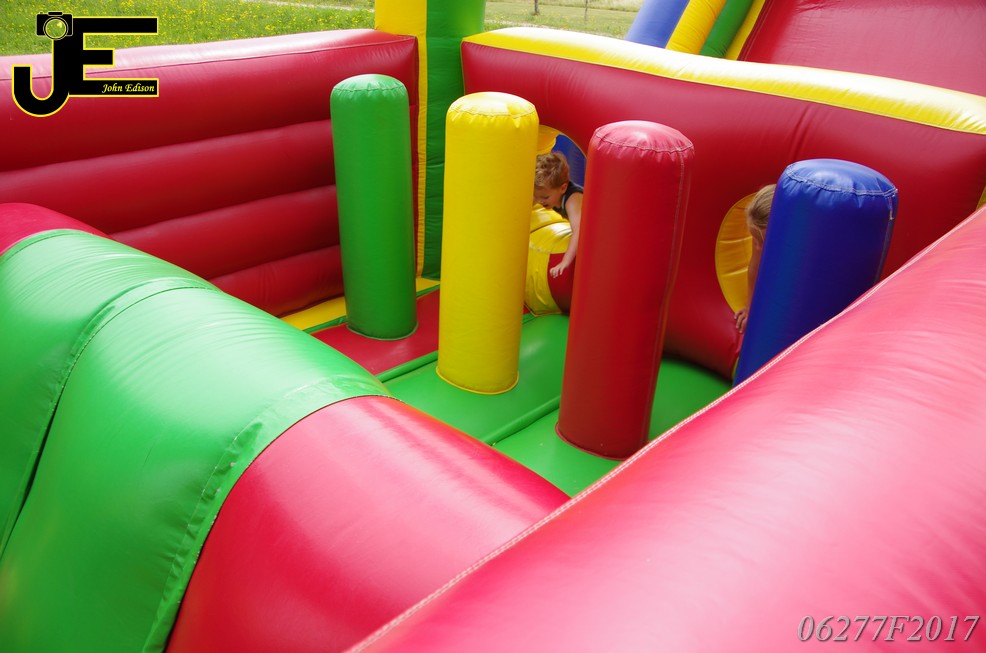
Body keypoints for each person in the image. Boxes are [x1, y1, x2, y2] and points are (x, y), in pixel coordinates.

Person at [533, 152, 583, 278]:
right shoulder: (549, 194)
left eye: (545, 197)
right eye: (536, 196)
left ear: (563, 188)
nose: (539, 201)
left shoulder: (572, 200)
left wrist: (565, 262)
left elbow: (579, 231)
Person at [735, 184, 774, 333]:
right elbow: (754, 267)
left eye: (763, 241)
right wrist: (749, 306)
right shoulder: (760, 229)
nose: (758, 247)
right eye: (755, 240)